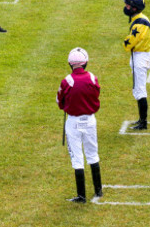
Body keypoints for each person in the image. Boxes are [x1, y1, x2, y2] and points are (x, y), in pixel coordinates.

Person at [56, 47, 102, 204]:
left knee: (77, 157)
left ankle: (81, 196)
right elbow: (96, 95)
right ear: (85, 62)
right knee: (93, 154)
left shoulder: (66, 81)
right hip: (90, 120)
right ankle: (98, 190)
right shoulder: (92, 78)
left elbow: (59, 101)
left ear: (71, 64)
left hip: (74, 122)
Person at [122, 0, 150, 130]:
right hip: (139, 55)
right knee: (138, 89)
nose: (126, 7)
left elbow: (130, 42)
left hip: (140, 56)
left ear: (134, 8)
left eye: (128, 5)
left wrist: (125, 42)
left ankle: (143, 122)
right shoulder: (139, 19)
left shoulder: (140, 23)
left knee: (140, 90)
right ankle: (141, 119)